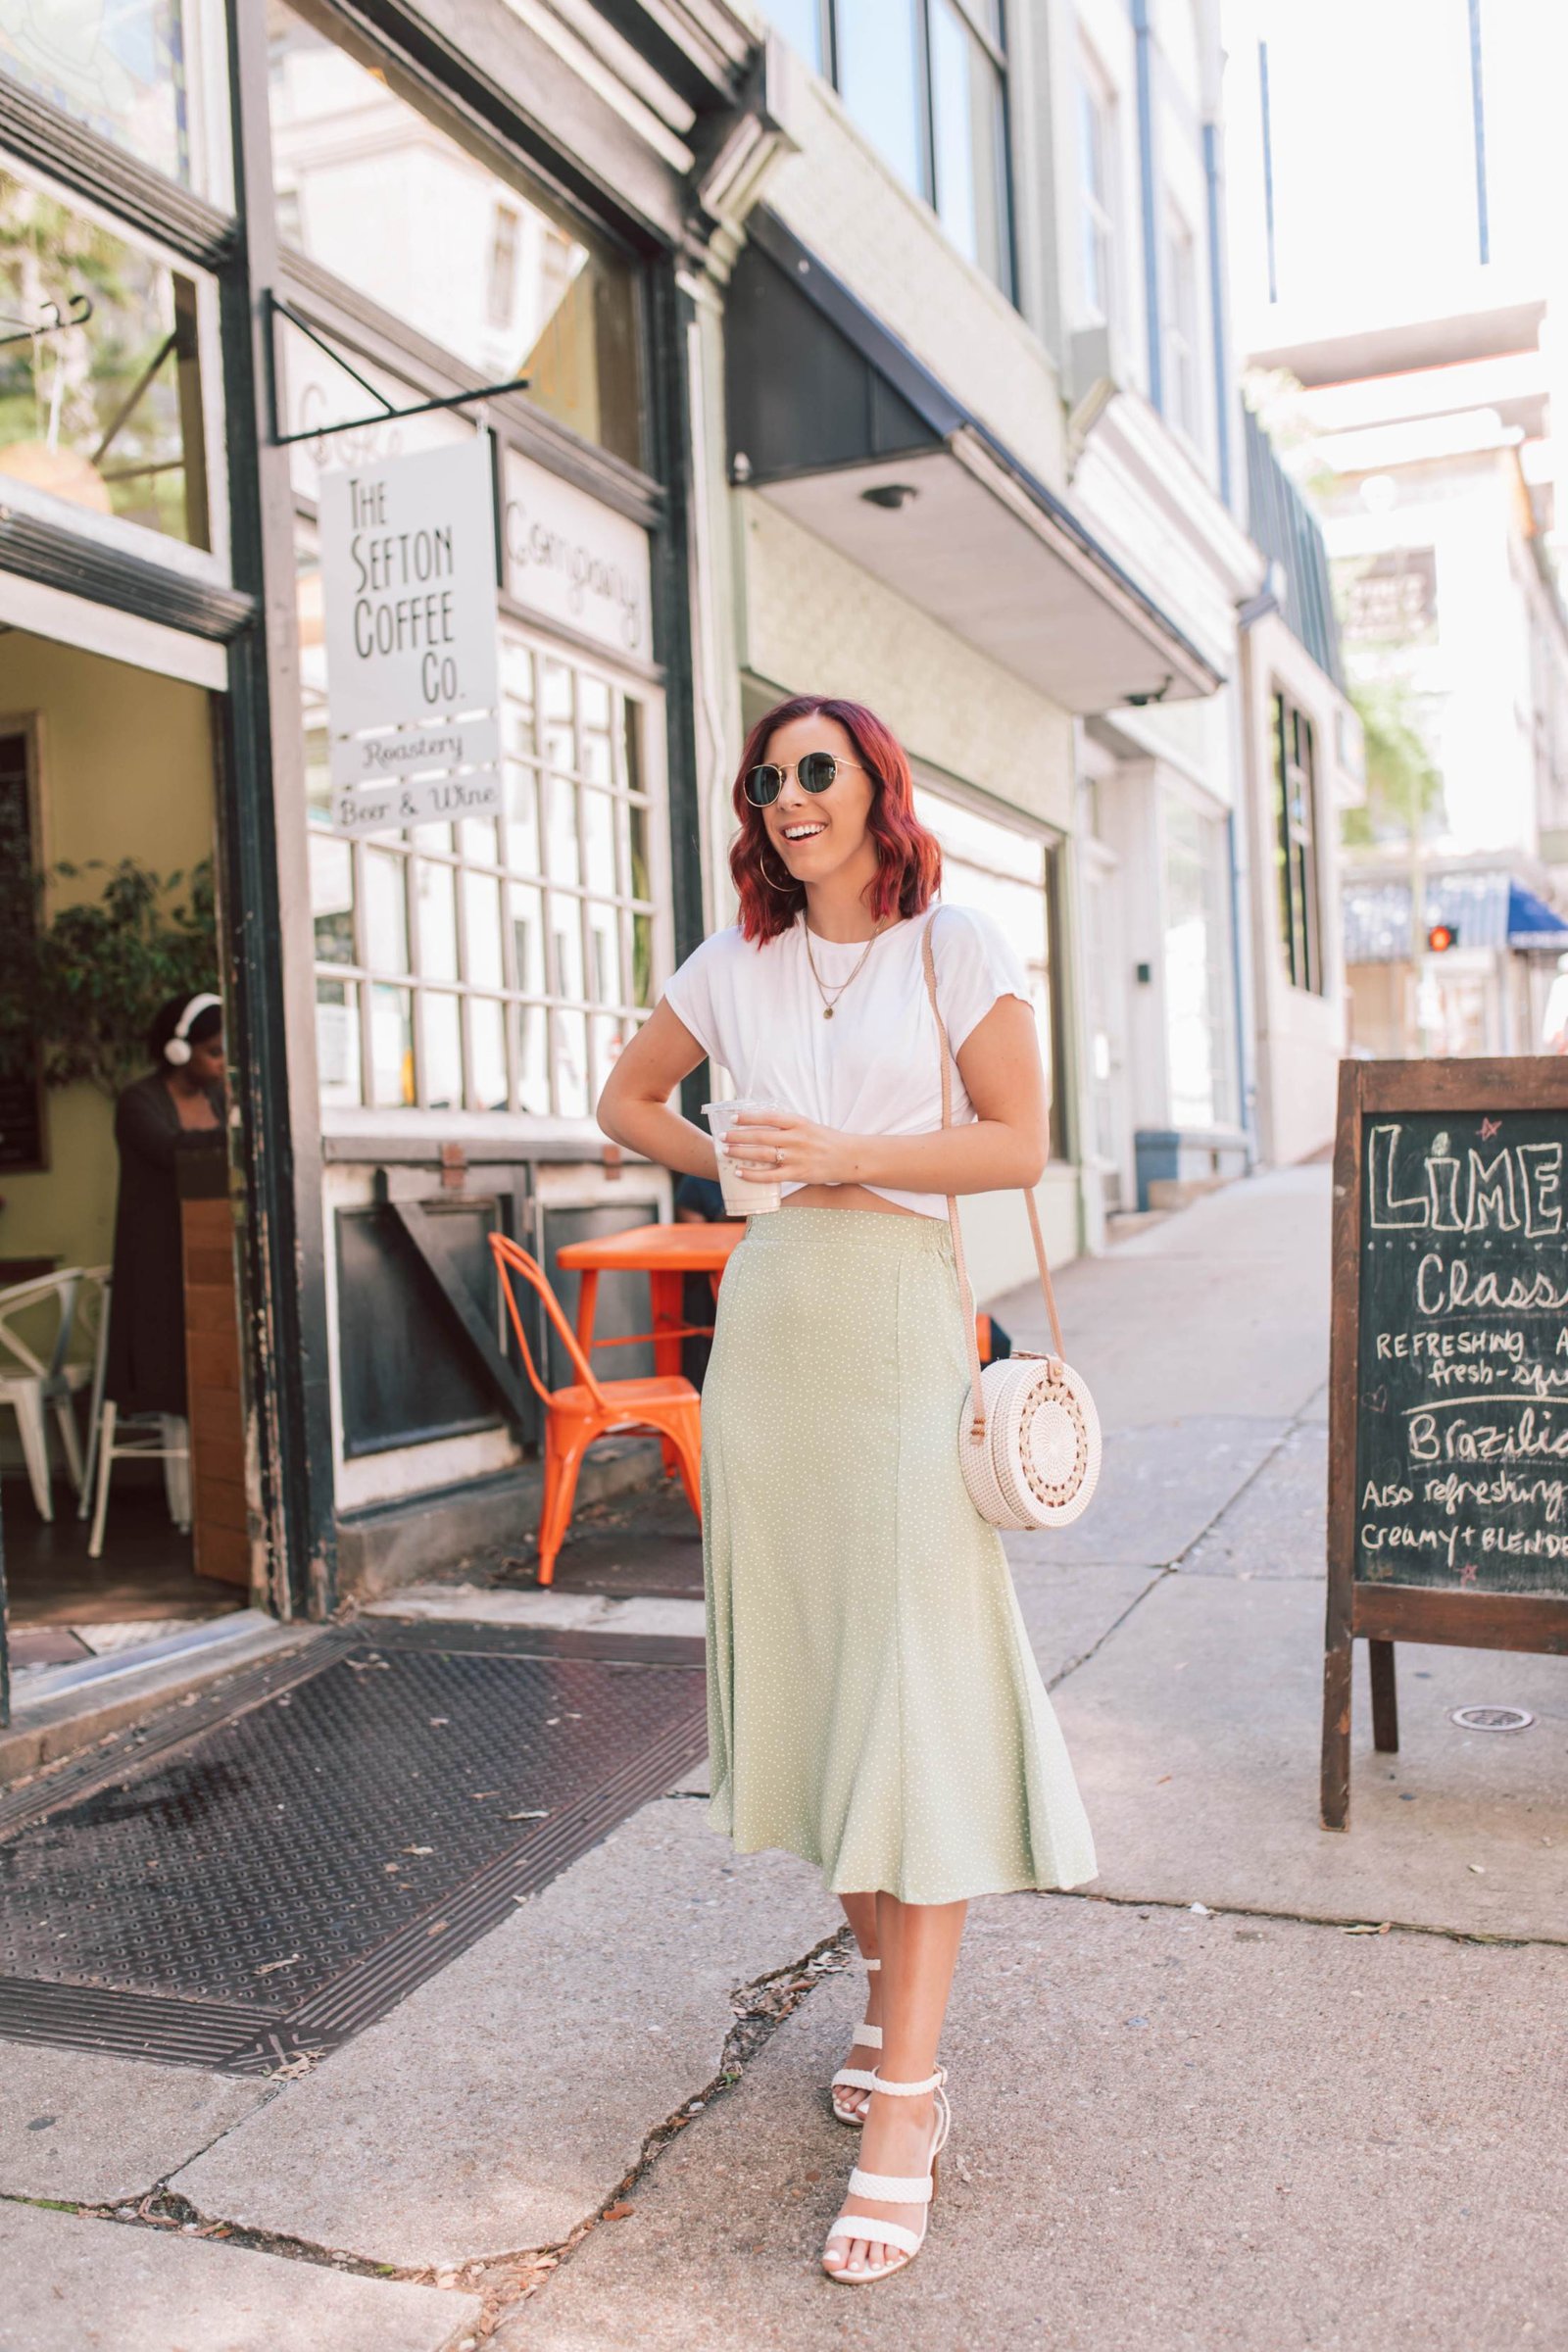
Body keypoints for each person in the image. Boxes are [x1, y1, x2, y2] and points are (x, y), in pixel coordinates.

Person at [597, 696, 1096, 2286]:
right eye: (767, 777)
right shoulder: (731, 964)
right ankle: (890, 2016)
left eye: (815, 769)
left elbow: (1021, 1142)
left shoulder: (953, 941)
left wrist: (841, 1157)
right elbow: (623, 1099)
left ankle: (909, 2103)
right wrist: (727, 1156)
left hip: (894, 1324)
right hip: (769, 1347)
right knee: (830, 1688)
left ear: (877, 786)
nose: (786, 794)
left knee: (915, 1693)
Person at [104, 992, 225, 1420]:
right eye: (213, 1052)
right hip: (157, 1259)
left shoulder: (218, 1101)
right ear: (178, 1049)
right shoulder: (138, 1102)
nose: (221, 1063)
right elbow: (171, 1151)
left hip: (212, 1255)